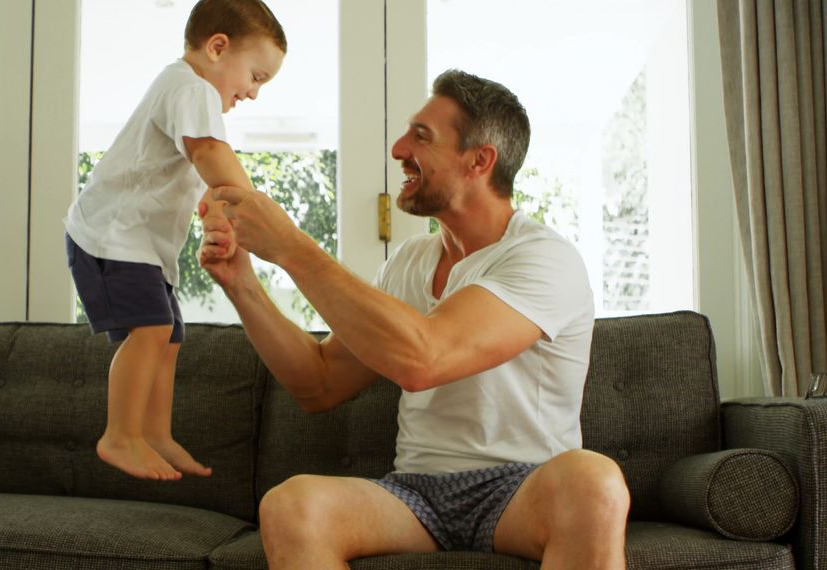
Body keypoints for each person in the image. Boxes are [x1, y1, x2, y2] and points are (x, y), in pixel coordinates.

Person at [198, 70, 630, 568]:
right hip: (416, 494)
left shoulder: (543, 258)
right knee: (291, 506)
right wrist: (242, 283)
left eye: (421, 137)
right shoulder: (408, 262)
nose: (399, 149)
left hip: (523, 488)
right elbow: (318, 383)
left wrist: (291, 246)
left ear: (479, 160)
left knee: (593, 482)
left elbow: (426, 357)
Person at [63, 0, 285, 481]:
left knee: (169, 336)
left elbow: (202, 173)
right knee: (151, 332)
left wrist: (215, 219)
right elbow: (209, 154)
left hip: (139, 245)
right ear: (218, 47)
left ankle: (154, 434)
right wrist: (257, 211)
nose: (252, 93)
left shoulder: (189, 96)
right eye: (256, 76)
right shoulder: (189, 86)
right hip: (111, 237)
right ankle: (120, 434)